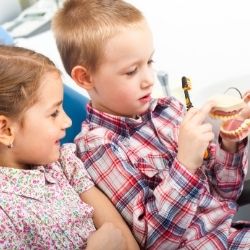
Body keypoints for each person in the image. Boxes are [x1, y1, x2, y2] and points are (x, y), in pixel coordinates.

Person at [52, 0, 250, 249]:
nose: (148, 79)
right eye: (131, 71)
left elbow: (227, 193)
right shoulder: (98, 146)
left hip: (233, 232)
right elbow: (157, 241)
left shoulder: (170, 110)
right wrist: (186, 163)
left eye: (150, 62)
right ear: (85, 77)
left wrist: (230, 142)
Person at [0, 45, 139, 250]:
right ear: (6, 130)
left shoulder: (62, 162)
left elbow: (120, 236)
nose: (67, 121)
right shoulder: (5, 217)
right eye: (54, 113)